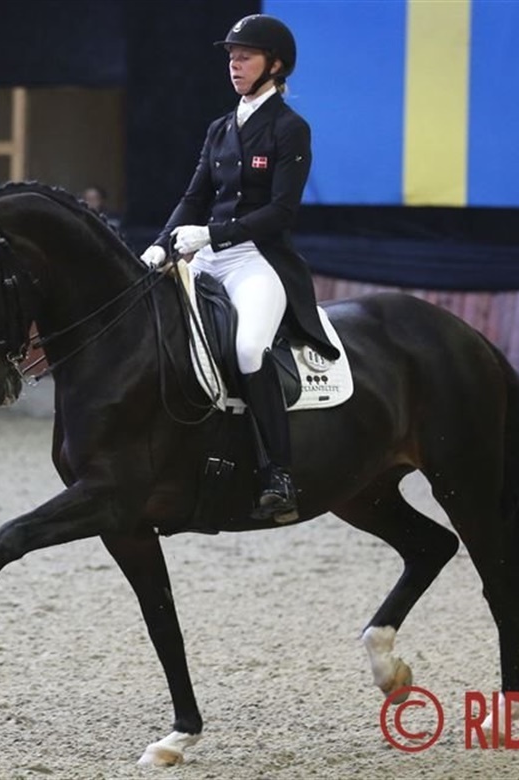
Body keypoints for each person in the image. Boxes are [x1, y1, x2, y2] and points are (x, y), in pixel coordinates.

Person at [139, 13, 340, 522]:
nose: (234, 65)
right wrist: (160, 246)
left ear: (275, 65)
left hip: (257, 259)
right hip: (208, 255)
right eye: (231, 57)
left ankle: (279, 474)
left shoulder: (290, 129)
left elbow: (281, 213)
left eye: (245, 57)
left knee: (250, 348)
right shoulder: (220, 129)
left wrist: (213, 235)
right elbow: (194, 197)